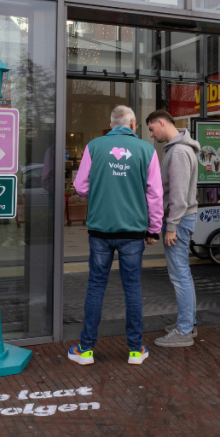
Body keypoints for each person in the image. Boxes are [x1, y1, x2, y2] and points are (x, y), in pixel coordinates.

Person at [68, 105, 163, 365]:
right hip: (133, 231)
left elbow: (79, 186)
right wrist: (154, 228)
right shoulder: (146, 150)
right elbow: (154, 193)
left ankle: (85, 350)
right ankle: (135, 349)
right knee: (132, 288)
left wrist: (98, 192)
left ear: (112, 125)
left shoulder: (94, 146)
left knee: (96, 287)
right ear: (133, 125)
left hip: (100, 229)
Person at [146, 110, 200, 347]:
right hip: (183, 219)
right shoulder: (179, 148)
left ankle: (185, 330)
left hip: (179, 220)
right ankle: (188, 323)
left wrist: (171, 227)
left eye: (151, 129)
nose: (151, 134)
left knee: (179, 276)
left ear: (161, 122)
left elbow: (177, 195)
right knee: (182, 274)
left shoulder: (178, 152)